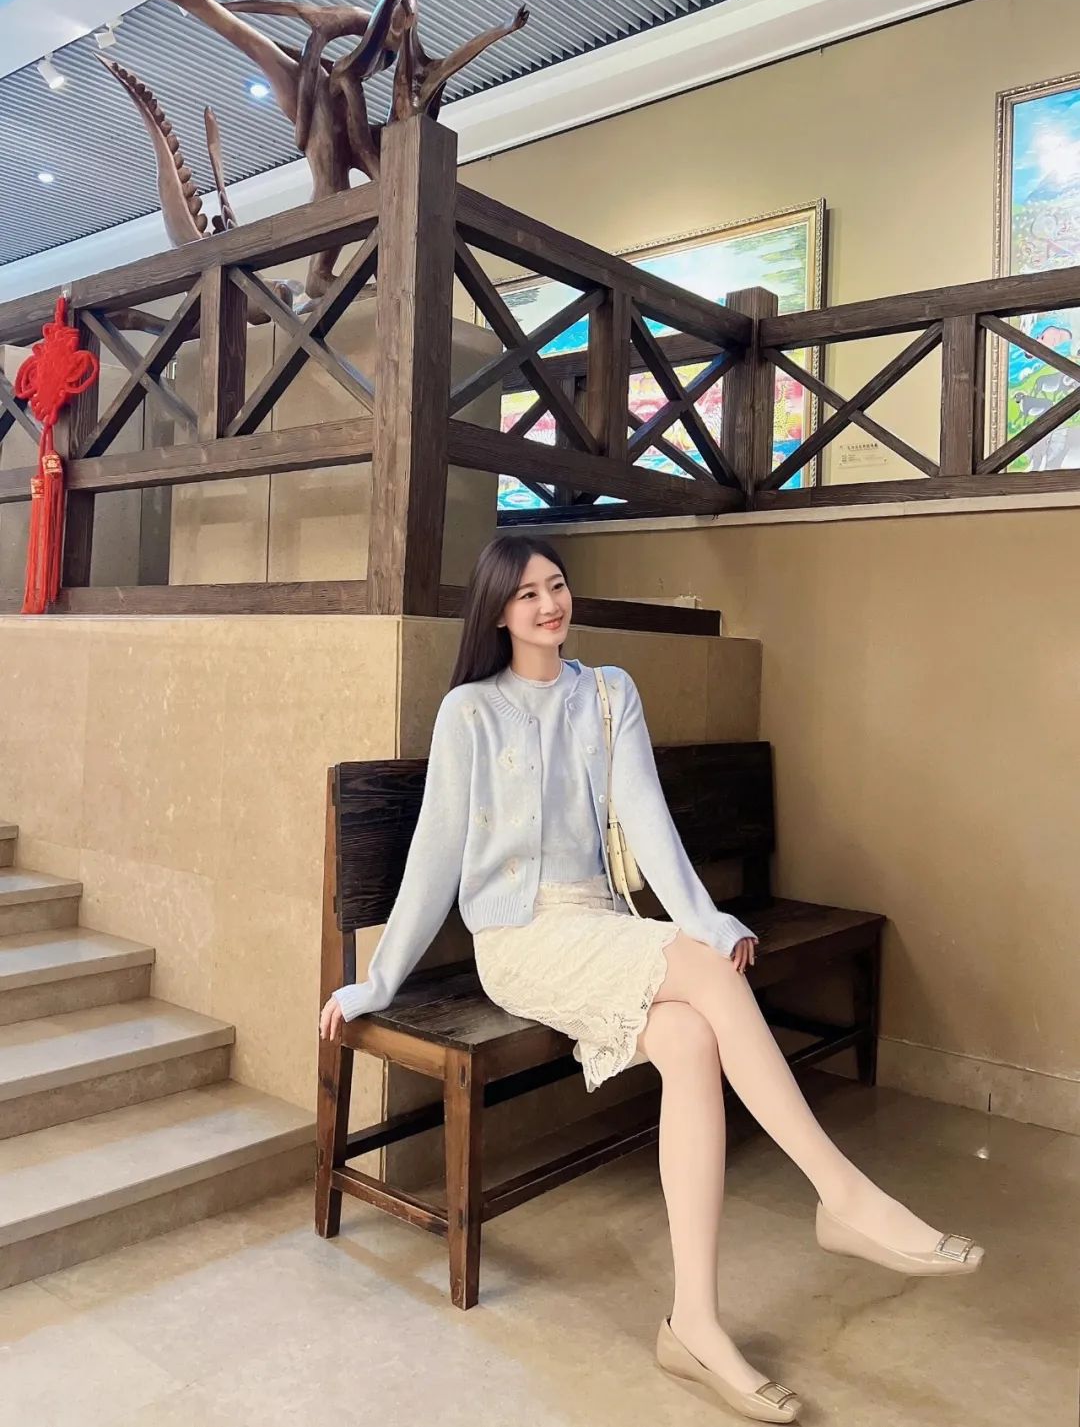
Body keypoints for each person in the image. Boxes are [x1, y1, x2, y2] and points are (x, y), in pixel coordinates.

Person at [320, 534, 984, 1423]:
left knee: (692, 1037)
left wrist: (705, 920)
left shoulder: (608, 693)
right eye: (527, 594)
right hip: (519, 938)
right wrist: (379, 979)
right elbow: (435, 859)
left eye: (557, 585)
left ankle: (693, 1325)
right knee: (704, 983)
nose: (549, 604)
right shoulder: (469, 712)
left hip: (601, 923)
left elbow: (648, 820)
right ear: (499, 612)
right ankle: (843, 1194)